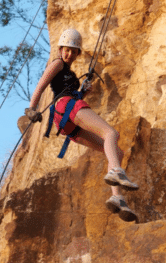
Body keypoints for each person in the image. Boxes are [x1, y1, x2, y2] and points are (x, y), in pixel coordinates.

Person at [25, 29, 138, 222]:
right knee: (111, 133)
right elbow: (42, 84)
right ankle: (116, 172)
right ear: (60, 49)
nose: (69, 54)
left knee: (115, 153)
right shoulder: (57, 63)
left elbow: (66, 90)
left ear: (78, 53)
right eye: (66, 49)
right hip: (66, 107)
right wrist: (32, 108)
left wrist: (82, 92)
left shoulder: (68, 71)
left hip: (65, 119)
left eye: (73, 51)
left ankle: (117, 197)